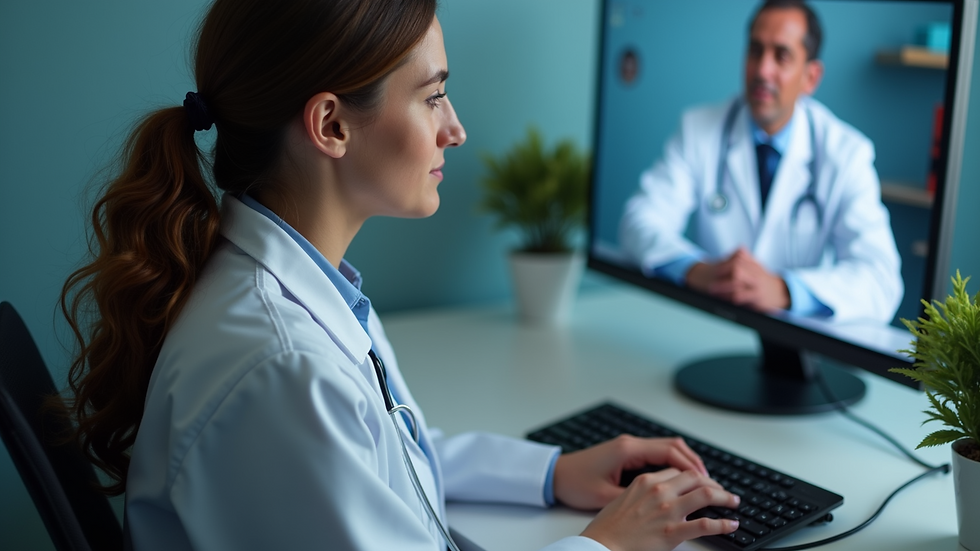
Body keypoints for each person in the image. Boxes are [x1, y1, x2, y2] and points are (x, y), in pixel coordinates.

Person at [58, 1, 740, 550]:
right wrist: (607, 545)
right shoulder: (281, 364)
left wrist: (552, 471)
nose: (457, 129)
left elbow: (383, 449)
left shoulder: (297, 290)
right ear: (330, 124)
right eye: (432, 96)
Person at [619, 0, 903, 323]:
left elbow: (881, 281)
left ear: (810, 77)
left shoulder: (847, 154)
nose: (762, 70)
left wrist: (783, 290)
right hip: (715, 328)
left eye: (781, 56)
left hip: (800, 346)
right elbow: (638, 221)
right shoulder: (698, 129)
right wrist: (699, 271)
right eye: (755, 51)